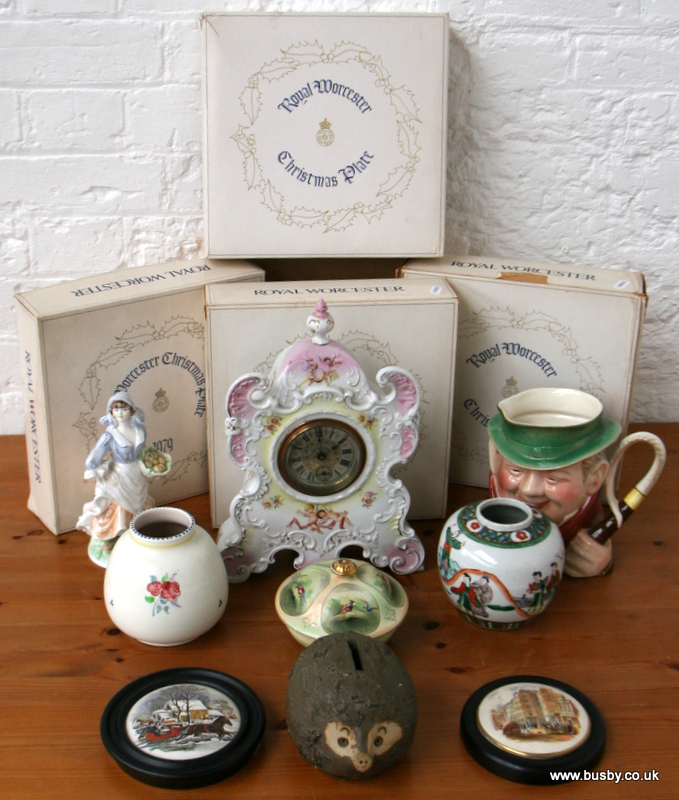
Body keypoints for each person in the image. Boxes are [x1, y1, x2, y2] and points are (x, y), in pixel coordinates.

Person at [488, 440, 614, 578]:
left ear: (594, 479)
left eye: (553, 478)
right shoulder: (490, 505)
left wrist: (601, 561)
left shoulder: (589, 518)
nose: (529, 490)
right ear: (494, 457)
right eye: (516, 470)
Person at [77, 392, 154, 565]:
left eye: (124, 408)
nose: (119, 412)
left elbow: (144, 453)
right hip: (119, 476)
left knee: (138, 506)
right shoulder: (110, 435)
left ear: (131, 410)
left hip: (137, 476)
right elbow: (92, 460)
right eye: (116, 409)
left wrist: (148, 467)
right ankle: (109, 540)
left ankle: (135, 537)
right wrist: (103, 471)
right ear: (111, 412)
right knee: (116, 508)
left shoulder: (139, 430)